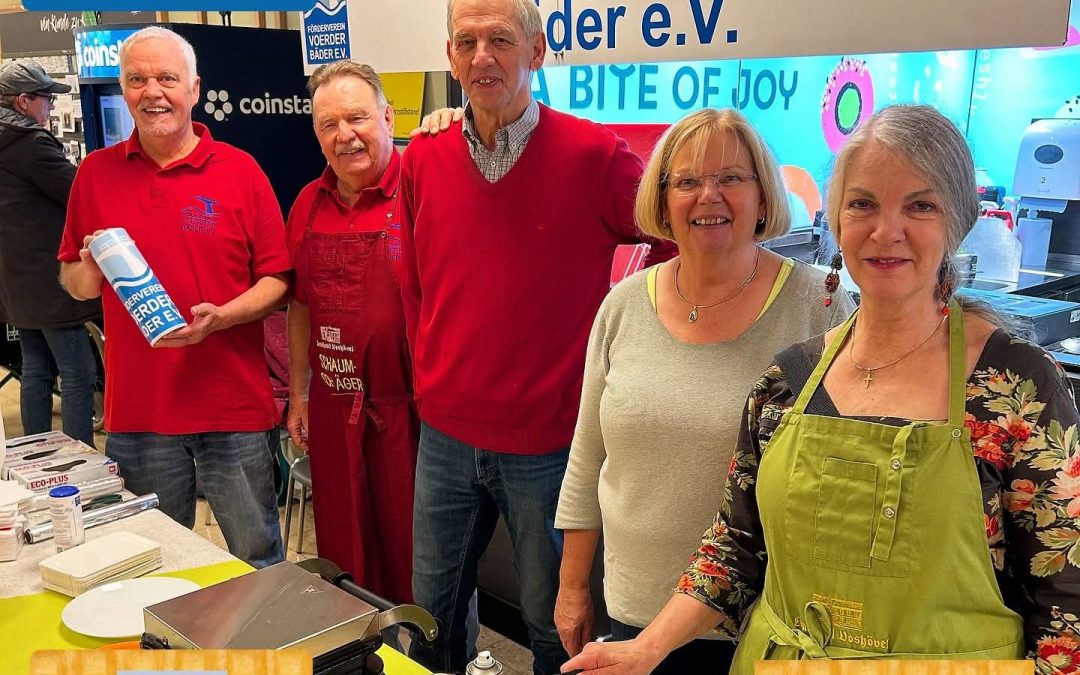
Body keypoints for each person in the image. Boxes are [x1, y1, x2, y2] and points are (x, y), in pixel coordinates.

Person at [562, 104, 1080, 675]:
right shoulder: (789, 380)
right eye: (862, 204)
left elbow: (1065, 602)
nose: (886, 231)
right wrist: (647, 647)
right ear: (835, 221)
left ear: (959, 219)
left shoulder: (1016, 387)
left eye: (920, 205)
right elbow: (735, 550)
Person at [398, 0, 675, 671]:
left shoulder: (592, 155)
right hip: (444, 437)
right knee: (430, 615)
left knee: (560, 628)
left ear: (539, 50)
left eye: (500, 39)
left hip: (551, 443)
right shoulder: (423, 159)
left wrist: (632, 356)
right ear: (449, 54)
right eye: (467, 41)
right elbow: (416, 285)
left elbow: (673, 243)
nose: (482, 56)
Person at [554, 108, 855, 673]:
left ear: (764, 196)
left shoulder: (819, 307)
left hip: (766, 622)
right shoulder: (622, 306)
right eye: (687, 181)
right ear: (662, 200)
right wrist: (573, 589)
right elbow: (587, 458)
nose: (708, 196)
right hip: (635, 611)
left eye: (731, 178)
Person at [57, 26, 289, 568]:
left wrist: (223, 317)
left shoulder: (241, 172)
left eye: (167, 78)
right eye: (137, 79)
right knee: (150, 563)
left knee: (258, 559)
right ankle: (171, 657)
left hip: (232, 407)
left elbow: (278, 281)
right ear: (123, 89)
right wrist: (91, 267)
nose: (152, 91)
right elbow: (74, 282)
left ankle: (260, 654)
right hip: (140, 412)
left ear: (195, 88)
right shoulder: (95, 174)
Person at [285, 60, 417, 602]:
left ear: (387, 117)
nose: (345, 136)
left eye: (358, 118)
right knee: (345, 557)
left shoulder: (421, 188)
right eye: (328, 125)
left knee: (425, 562)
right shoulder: (306, 205)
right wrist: (298, 393)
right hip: (335, 411)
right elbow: (299, 307)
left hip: (413, 413)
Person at [0, 61, 101, 447]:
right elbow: (77, 192)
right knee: (77, 369)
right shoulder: (30, 144)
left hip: (15, 278)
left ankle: (37, 455)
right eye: (46, 99)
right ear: (24, 101)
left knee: (36, 369)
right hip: (49, 278)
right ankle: (81, 460)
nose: (51, 108)